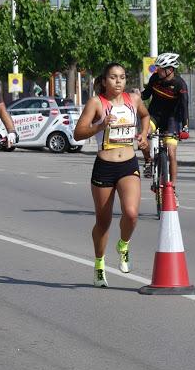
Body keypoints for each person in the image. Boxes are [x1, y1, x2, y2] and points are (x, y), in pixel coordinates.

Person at [73, 62, 150, 288]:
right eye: (114, 77)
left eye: (123, 77)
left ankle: (123, 245)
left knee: (132, 213)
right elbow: (78, 133)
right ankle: (99, 264)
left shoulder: (133, 100)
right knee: (103, 222)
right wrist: (100, 125)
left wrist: (144, 135)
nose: (119, 81)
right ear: (105, 81)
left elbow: (145, 117)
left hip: (128, 163)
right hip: (104, 166)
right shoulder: (96, 103)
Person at [140, 52, 189, 203]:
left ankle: (172, 188)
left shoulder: (180, 85)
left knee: (171, 152)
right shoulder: (155, 78)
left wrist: (185, 127)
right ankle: (148, 161)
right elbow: (146, 95)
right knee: (142, 135)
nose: (157, 70)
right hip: (154, 116)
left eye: (160, 68)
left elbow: (184, 107)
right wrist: (134, 96)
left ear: (170, 69)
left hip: (172, 120)